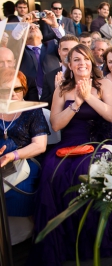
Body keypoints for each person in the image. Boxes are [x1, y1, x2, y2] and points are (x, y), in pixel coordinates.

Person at [31, 45, 112, 265]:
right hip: (70, 143)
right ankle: (67, 240)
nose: (82, 63)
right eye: (76, 60)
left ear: (92, 62)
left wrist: (88, 97)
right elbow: (55, 124)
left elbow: (111, 116)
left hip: (99, 141)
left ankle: (95, 238)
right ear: (69, 65)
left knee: (87, 169)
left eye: (86, 59)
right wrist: (76, 104)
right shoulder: (62, 89)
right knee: (53, 170)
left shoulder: (104, 85)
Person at [0, 69, 49, 244]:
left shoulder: (32, 111)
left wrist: (12, 155)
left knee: (19, 193)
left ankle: (29, 238)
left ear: (24, 89)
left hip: (25, 162)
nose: (13, 94)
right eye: (6, 90)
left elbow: (40, 145)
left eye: (17, 89)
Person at [19, 20, 60, 98]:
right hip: (29, 95)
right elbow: (13, 41)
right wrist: (22, 24)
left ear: (42, 34)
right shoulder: (20, 51)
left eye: (36, 27)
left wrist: (55, 26)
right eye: (29, 27)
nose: (32, 28)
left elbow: (66, 43)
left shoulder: (52, 45)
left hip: (54, 91)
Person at [40, 35, 79, 110]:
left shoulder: (88, 74)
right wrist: (57, 91)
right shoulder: (49, 77)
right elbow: (44, 107)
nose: (69, 53)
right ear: (59, 51)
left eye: (73, 49)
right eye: (65, 49)